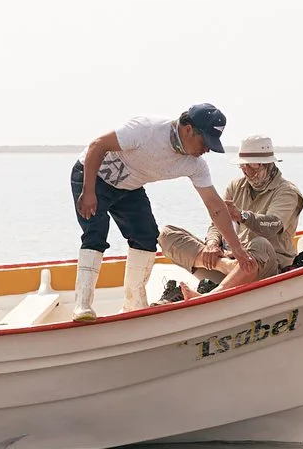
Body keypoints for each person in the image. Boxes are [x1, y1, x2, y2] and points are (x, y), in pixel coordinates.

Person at [72, 105, 259, 320]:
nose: (206, 149)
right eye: (205, 142)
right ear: (188, 129)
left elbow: (215, 206)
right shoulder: (147, 129)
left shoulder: (195, 165)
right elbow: (98, 145)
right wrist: (88, 192)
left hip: (129, 187)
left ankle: (134, 305)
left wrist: (238, 250)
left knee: (146, 236)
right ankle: (82, 305)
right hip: (92, 176)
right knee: (95, 232)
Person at [160, 133, 303, 290]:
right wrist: (212, 243)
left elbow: (273, 225)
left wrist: (242, 216)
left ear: (269, 164)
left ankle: (213, 294)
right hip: (235, 261)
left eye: (253, 165)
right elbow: (218, 222)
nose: (247, 171)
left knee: (260, 244)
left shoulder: (287, 192)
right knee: (167, 234)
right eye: (243, 165)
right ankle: (227, 266)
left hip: (264, 266)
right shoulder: (236, 186)